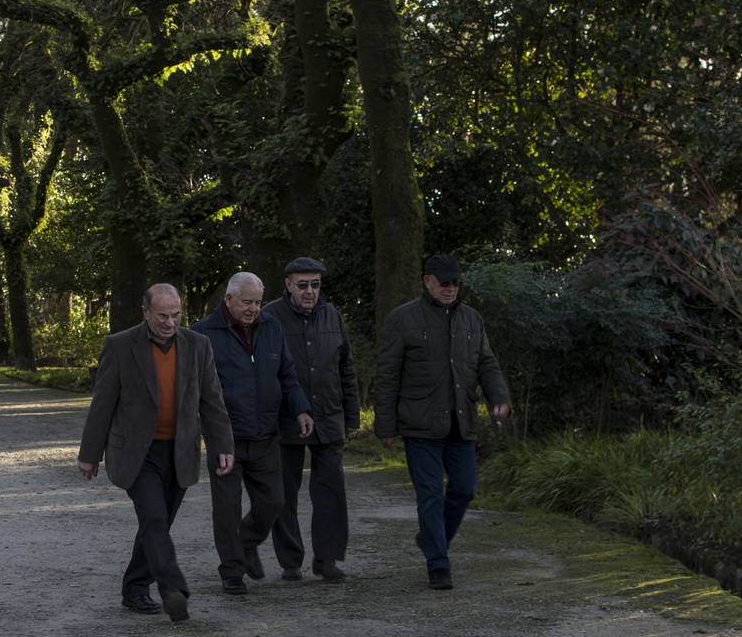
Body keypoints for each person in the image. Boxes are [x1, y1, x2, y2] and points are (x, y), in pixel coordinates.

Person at [77, 284, 234, 623]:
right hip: (136, 453)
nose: (169, 322)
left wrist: (223, 445)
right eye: (162, 315)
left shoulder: (198, 345)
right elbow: (102, 403)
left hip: (180, 450)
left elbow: (212, 401)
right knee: (154, 520)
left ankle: (134, 587)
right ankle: (172, 590)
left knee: (157, 524)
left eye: (176, 314)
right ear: (146, 312)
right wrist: (89, 454)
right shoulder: (120, 346)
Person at [375, 254, 510, 590]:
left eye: (455, 283)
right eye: (445, 282)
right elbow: (388, 375)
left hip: (461, 422)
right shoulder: (402, 319)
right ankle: (438, 564)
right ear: (428, 281)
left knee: (465, 489)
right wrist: (386, 426)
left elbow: (486, 364)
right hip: (419, 423)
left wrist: (499, 397)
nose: (451, 289)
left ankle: (431, 539)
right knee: (430, 495)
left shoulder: (472, 319)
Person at [190, 272, 312, 594]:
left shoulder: (271, 327)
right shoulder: (202, 334)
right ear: (228, 300)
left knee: (274, 502)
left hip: (266, 436)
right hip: (225, 438)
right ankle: (232, 572)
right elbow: (193, 390)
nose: (254, 309)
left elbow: (286, 374)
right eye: (247, 302)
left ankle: (246, 544)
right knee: (227, 509)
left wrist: (300, 409)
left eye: (258, 302)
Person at [266, 257, 360, 582]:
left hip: (329, 416)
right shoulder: (270, 317)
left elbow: (346, 367)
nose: (310, 291)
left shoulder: (333, 316)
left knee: (331, 491)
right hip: (285, 419)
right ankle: (290, 561)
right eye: (303, 285)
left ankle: (327, 558)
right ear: (289, 284)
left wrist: (351, 414)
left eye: (316, 285)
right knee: (284, 492)